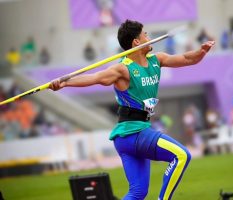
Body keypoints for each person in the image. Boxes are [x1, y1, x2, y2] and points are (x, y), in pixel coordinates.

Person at [50, 19, 215, 200]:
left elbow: (186, 59)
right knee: (181, 155)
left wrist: (201, 52)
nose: (149, 37)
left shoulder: (156, 60)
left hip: (130, 137)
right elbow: (96, 78)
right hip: (133, 133)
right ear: (136, 41)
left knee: (137, 193)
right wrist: (64, 83)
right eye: (145, 34)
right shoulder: (123, 69)